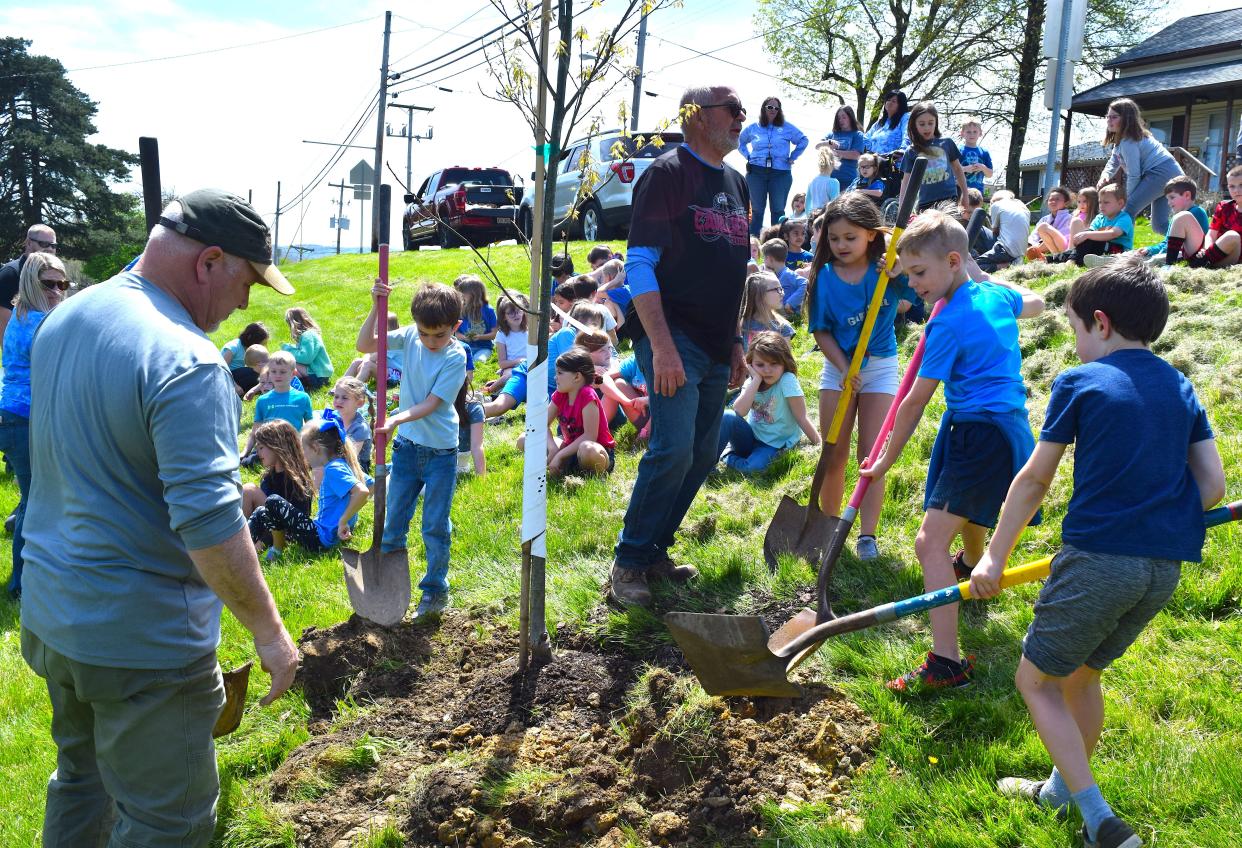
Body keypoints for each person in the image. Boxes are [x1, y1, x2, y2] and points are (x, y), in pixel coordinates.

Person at [19, 188, 299, 845]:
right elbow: (209, 523)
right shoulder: (188, 362)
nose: (246, 303)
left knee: (81, 783)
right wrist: (268, 629)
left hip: (53, 614)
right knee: (165, 824)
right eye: (248, 281)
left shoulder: (68, 315)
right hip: (139, 648)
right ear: (208, 262)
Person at [972, 257, 1225, 848]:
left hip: (1098, 559)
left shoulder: (1080, 382)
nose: (1076, 342)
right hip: (1163, 567)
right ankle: (1061, 789)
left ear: (1101, 324)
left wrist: (993, 558)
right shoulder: (1179, 383)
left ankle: (1098, 819)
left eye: (1075, 329)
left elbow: (1034, 480)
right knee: (1082, 677)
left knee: (1035, 683)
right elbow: (1211, 487)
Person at [861, 211, 1045, 692]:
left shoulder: (947, 324)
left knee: (927, 542)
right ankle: (967, 567)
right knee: (971, 510)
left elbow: (914, 401)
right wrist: (981, 278)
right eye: (908, 273)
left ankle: (947, 662)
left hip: (976, 432)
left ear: (953, 261)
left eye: (920, 273)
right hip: (1008, 427)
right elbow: (1039, 302)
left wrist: (883, 462)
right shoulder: (994, 296)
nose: (913, 283)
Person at [612, 84, 750, 607]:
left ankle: (653, 551)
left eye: (743, 109)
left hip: (716, 344)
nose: (742, 117)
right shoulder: (666, 175)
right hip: (673, 337)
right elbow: (640, 264)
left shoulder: (737, 182)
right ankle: (627, 565)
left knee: (701, 451)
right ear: (694, 115)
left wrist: (736, 340)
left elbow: (737, 271)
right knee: (671, 449)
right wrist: (663, 349)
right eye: (731, 110)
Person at [807, 193, 917, 560]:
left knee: (870, 456)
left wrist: (901, 270)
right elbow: (821, 330)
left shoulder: (884, 269)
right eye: (834, 238)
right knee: (833, 452)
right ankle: (828, 525)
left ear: (871, 235)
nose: (841, 245)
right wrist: (842, 368)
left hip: (880, 366)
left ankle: (866, 535)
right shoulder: (824, 276)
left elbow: (921, 289)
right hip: (838, 367)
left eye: (850, 238)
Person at [357, 281, 467, 619]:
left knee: (434, 525)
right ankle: (387, 589)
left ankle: (434, 589)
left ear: (455, 328)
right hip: (406, 450)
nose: (431, 342)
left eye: (440, 335)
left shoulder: (456, 356)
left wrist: (395, 418)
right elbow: (365, 344)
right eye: (425, 334)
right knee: (394, 521)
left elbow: (433, 403)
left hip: (441, 454)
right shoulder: (409, 338)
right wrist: (377, 305)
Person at [0, 252, 68, 598]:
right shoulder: (38, 321)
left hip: (16, 417)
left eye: (62, 283)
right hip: (24, 418)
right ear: (30, 281)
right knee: (35, 501)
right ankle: (22, 584)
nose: (57, 289)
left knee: (36, 498)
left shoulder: (21, 314)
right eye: (49, 283)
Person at [248, 417, 371, 559]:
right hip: (321, 533)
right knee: (261, 512)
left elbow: (362, 492)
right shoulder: (341, 465)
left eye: (304, 450)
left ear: (315, 449)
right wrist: (348, 519)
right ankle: (244, 552)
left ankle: (277, 548)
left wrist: (343, 521)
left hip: (319, 539)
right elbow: (370, 484)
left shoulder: (334, 469)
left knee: (272, 501)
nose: (303, 455)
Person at [716, 331, 818, 474]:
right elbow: (738, 411)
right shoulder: (752, 381)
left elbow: (801, 417)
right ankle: (708, 464)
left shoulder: (786, 380)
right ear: (750, 364)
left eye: (774, 364)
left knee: (753, 469)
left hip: (774, 444)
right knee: (727, 416)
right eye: (760, 365)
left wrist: (819, 446)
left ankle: (727, 457)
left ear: (784, 363)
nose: (767, 370)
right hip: (750, 437)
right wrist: (756, 380)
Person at [1096, 97, 1183, 237]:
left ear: (1127, 119)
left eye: (1114, 117)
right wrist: (1105, 175)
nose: (1109, 120)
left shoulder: (1129, 141)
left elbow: (1134, 175)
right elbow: (1114, 160)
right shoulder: (1121, 141)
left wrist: (1126, 198)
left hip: (1161, 173)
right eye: (1108, 116)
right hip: (1169, 173)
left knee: (1127, 209)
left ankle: (1119, 247)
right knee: (1159, 225)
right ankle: (1185, 241)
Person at [527, 347, 616, 476]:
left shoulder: (587, 395)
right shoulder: (560, 394)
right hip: (571, 449)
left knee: (587, 449)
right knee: (527, 439)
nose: (555, 377)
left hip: (596, 451)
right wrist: (552, 449)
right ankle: (572, 470)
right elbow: (541, 424)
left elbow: (590, 436)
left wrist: (560, 455)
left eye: (560, 373)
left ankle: (595, 475)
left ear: (577, 377)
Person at [241, 420, 315, 560]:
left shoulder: (296, 479)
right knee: (248, 491)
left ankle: (251, 547)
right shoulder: (270, 477)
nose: (258, 452)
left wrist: (261, 544)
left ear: (278, 446)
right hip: (269, 527)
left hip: (289, 533)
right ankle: (242, 542)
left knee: (250, 490)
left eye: (261, 447)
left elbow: (298, 518)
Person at [739, 95, 808, 236]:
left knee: (777, 209)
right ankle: (754, 246)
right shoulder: (753, 128)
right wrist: (748, 156)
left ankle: (776, 244)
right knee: (757, 209)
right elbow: (739, 141)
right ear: (764, 109)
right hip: (756, 171)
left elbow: (803, 140)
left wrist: (793, 156)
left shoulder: (787, 127)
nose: (773, 110)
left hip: (780, 172)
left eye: (777, 108)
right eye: (770, 107)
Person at [899, 101, 967, 213]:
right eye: (922, 124)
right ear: (914, 125)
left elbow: (958, 169)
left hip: (949, 200)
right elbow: (906, 182)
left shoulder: (947, 143)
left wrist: (965, 194)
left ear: (936, 122)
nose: (927, 127)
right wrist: (902, 209)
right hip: (925, 203)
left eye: (930, 123)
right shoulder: (911, 151)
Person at [244, 350, 314, 456]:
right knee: (248, 462)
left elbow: (310, 428)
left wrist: (309, 448)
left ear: (293, 374)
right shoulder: (263, 400)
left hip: (293, 447)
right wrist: (244, 452)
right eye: (273, 371)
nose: (277, 375)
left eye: (282, 372)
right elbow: (255, 431)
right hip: (269, 447)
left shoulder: (302, 398)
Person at [0, 223, 58, 346]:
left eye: (53, 245)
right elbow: (3, 323)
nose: (50, 249)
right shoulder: (10, 273)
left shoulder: (54, 275)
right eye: (43, 244)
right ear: (29, 243)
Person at [1188, 164, 1242, 268]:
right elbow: (1211, 234)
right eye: (1232, 186)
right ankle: (1202, 262)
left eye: (1241, 185)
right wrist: (1206, 250)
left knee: (1233, 236)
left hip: (1236, 261)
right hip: (1218, 254)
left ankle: (1200, 265)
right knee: (1184, 216)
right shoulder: (1224, 207)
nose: (1236, 190)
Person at [1072, 184, 1134, 267]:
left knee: (1088, 238)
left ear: (1120, 203)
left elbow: (1113, 233)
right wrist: (1084, 236)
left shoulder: (1124, 218)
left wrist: (1086, 235)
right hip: (1101, 247)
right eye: (1100, 202)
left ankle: (1074, 262)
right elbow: (1091, 231)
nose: (1101, 205)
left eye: (1106, 202)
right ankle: (1053, 258)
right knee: (1083, 242)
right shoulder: (1100, 217)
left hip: (1119, 250)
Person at [976, 189, 1030, 272]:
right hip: (1021, 252)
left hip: (1005, 250)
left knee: (975, 265)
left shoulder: (996, 205)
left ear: (992, 201)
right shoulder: (1022, 205)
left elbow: (995, 231)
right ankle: (1011, 261)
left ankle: (1007, 265)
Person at [281, 306, 332, 392]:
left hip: (318, 377)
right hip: (321, 375)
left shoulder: (308, 335)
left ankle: (296, 384)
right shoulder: (309, 335)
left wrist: (288, 350)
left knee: (287, 362)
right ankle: (300, 384)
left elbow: (306, 358)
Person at [345, 311, 401, 386]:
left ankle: (353, 388)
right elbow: (368, 355)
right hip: (386, 371)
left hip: (395, 376)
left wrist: (364, 364)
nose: (376, 331)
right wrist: (363, 363)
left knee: (368, 365)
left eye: (380, 328)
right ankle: (339, 386)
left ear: (393, 331)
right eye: (375, 328)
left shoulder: (393, 342)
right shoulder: (380, 341)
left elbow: (372, 358)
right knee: (357, 361)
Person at [740, 271, 795, 347]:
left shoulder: (781, 327)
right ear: (759, 295)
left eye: (781, 289)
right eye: (777, 289)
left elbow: (786, 358)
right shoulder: (741, 326)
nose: (782, 293)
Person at [331, 376, 373, 472]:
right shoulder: (333, 417)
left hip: (356, 467)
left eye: (345, 398)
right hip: (336, 460)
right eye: (336, 396)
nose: (338, 401)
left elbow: (351, 457)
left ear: (359, 403)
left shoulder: (360, 428)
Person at [454, 274, 498, 362]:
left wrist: (479, 337)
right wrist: (464, 337)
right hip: (464, 346)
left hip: (483, 347)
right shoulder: (461, 309)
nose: (461, 297)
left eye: (463, 294)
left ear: (473, 294)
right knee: (458, 359)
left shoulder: (488, 310)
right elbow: (456, 333)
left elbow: (494, 334)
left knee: (479, 360)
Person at [1024, 187, 1074, 261]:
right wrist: (1031, 244)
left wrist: (1038, 247)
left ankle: (1037, 252)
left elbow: (1064, 236)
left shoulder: (1069, 218)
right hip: (1041, 245)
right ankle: (1037, 253)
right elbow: (1034, 235)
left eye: (1057, 199)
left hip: (1060, 246)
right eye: (1051, 199)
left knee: (1044, 228)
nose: (1053, 202)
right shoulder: (1044, 219)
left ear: (1066, 203)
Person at [823, 104, 867, 186]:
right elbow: (818, 147)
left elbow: (855, 155)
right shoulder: (831, 134)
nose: (841, 120)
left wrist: (834, 152)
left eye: (844, 117)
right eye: (838, 118)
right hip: (829, 179)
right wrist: (827, 144)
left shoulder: (857, 135)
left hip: (848, 180)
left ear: (850, 118)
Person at [760, 239, 806, 312]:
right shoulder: (774, 275)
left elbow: (805, 284)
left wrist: (790, 303)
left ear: (769, 259)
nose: (763, 262)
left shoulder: (787, 274)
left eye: (764, 258)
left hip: (790, 316)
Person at [863, 90, 911, 156]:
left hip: (894, 163)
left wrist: (903, 150)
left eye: (894, 101)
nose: (889, 103)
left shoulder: (905, 117)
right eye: (888, 100)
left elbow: (907, 135)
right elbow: (865, 139)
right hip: (875, 162)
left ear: (900, 105)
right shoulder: (880, 123)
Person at [495, 293, 530, 378]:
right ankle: (490, 388)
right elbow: (502, 363)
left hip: (529, 366)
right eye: (511, 313)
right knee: (509, 376)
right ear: (504, 317)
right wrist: (518, 361)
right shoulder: (501, 334)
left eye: (518, 310)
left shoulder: (530, 330)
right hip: (511, 367)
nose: (516, 315)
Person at [957, 117, 993, 194]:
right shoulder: (957, 150)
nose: (972, 134)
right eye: (968, 132)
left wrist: (983, 167)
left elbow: (990, 174)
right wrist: (965, 169)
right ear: (962, 133)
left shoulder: (984, 152)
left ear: (980, 133)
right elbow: (950, 171)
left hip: (978, 192)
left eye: (975, 131)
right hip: (960, 191)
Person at [805, 145, 841, 215]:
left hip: (813, 216)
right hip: (825, 218)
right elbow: (835, 206)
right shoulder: (833, 182)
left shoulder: (812, 182)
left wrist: (809, 218)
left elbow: (807, 204)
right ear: (833, 163)